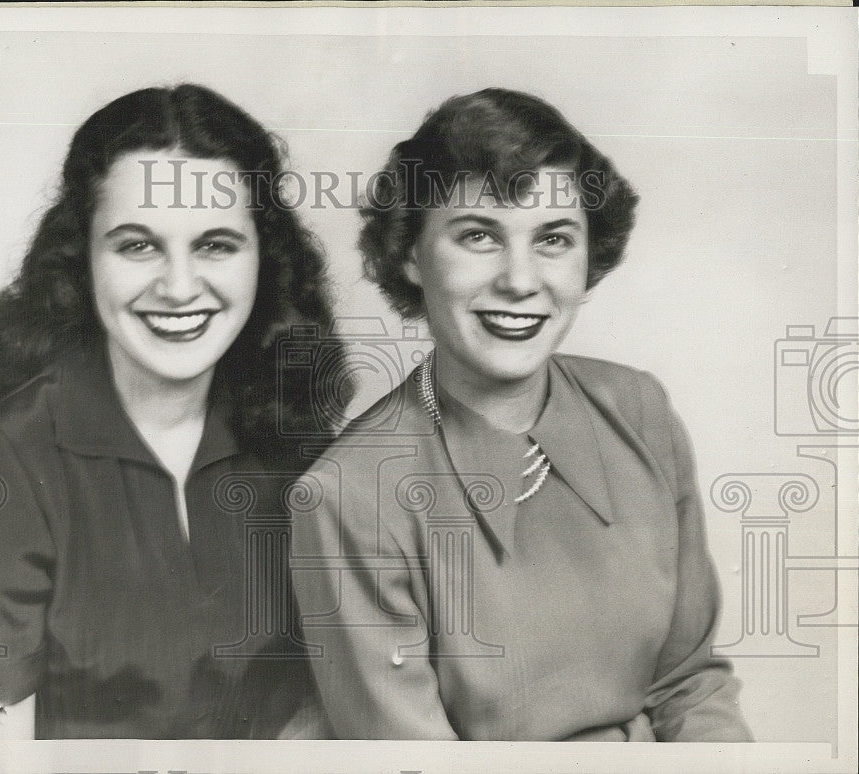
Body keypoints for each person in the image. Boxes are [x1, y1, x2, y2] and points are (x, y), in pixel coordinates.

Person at [291, 88, 753, 741]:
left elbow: (691, 682)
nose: (520, 279)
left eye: (554, 238)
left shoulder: (639, 410)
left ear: (589, 255)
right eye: (478, 235)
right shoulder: (346, 497)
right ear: (408, 255)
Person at [0, 84, 351, 739]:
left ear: (263, 260)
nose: (179, 286)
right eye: (137, 245)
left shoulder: (293, 446)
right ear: (82, 257)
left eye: (216, 245)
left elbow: (315, 705)